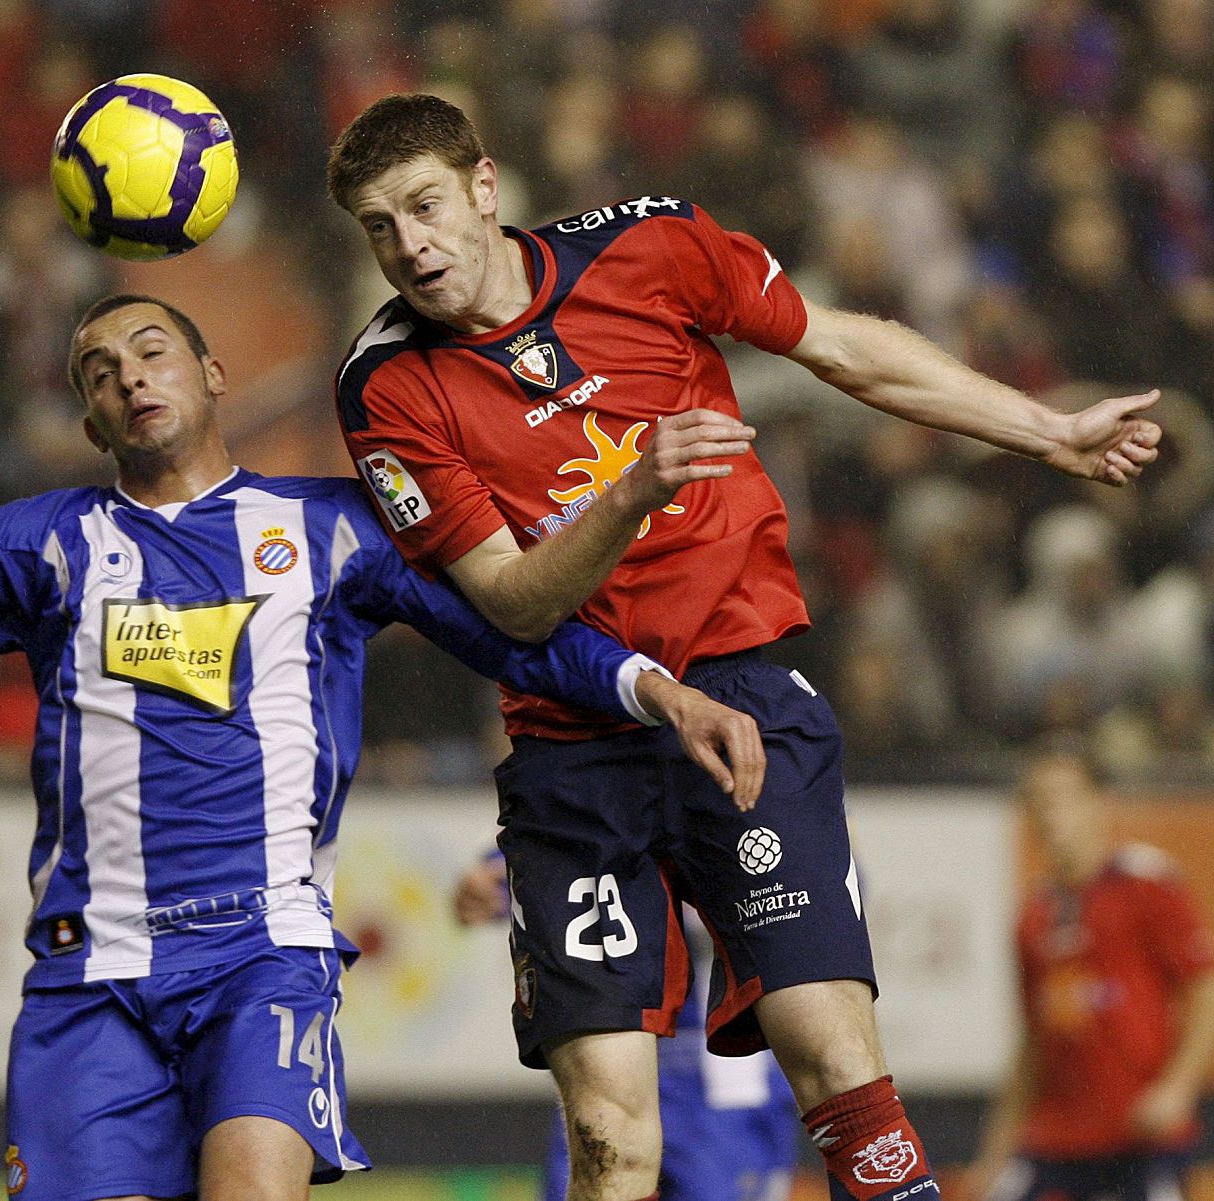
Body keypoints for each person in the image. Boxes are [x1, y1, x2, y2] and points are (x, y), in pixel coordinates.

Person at [0, 294, 748, 1201]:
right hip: (93, 971)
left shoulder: (331, 530)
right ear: (89, 422)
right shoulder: (46, 544)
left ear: (215, 373)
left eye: (149, 350)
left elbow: (510, 629)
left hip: (261, 957)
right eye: (96, 371)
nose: (127, 376)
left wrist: (653, 689)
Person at [325, 92, 1163, 1201]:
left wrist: (1046, 428)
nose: (409, 246)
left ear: (485, 185)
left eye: (424, 206)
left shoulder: (651, 247)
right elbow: (516, 606)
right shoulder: (384, 386)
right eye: (380, 226)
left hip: (743, 691)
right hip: (575, 744)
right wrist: (635, 485)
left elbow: (840, 347)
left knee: (836, 1060)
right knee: (613, 1142)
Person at [453, 850, 800, 1201]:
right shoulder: (604, 806)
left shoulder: (768, 812)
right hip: (611, 1057)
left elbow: (806, 904)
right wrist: (496, 872)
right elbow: (495, 882)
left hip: (726, 1077)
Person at [967, 747, 1214, 1201]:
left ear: (1099, 803)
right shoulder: (1033, 915)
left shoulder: (1146, 883)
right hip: (1056, 1140)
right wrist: (995, 1152)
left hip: (1141, 1138)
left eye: (1063, 798)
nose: (1050, 814)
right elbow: (1033, 1042)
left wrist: (1177, 1088)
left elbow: (1204, 990)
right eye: (1037, 802)